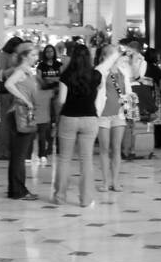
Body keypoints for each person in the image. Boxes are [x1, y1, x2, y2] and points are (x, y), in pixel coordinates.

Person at [52, 42, 98, 208]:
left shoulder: (66, 75)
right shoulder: (95, 75)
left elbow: (62, 100)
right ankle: (86, 200)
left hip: (69, 117)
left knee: (64, 159)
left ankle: (60, 197)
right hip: (90, 119)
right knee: (86, 160)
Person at [3, 42, 40, 200]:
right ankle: (18, 190)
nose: (36, 58)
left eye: (36, 55)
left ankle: (16, 189)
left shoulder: (26, 71)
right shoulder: (21, 71)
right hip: (19, 115)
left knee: (18, 154)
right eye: (32, 55)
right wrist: (25, 100)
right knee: (19, 155)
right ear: (24, 56)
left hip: (22, 114)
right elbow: (8, 84)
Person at [94, 43, 128, 192]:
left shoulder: (122, 71)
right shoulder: (100, 71)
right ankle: (105, 181)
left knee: (116, 148)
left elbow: (128, 92)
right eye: (112, 54)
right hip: (103, 115)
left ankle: (115, 181)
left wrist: (130, 111)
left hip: (119, 114)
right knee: (104, 148)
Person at [0, 37, 22, 157]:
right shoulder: (2, 56)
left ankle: (11, 149)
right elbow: (0, 74)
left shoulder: (15, 56)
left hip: (16, 91)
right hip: (6, 92)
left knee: (14, 122)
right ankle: (3, 151)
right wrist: (15, 68)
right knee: (5, 122)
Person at [35, 44, 63, 166]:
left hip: (57, 93)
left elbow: (62, 78)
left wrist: (53, 80)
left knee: (57, 120)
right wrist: (48, 82)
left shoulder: (59, 65)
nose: (49, 53)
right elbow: (39, 78)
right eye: (47, 51)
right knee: (46, 121)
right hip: (45, 94)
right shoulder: (41, 65)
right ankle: (48, 145)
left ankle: (59, 145)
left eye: (51, 51)